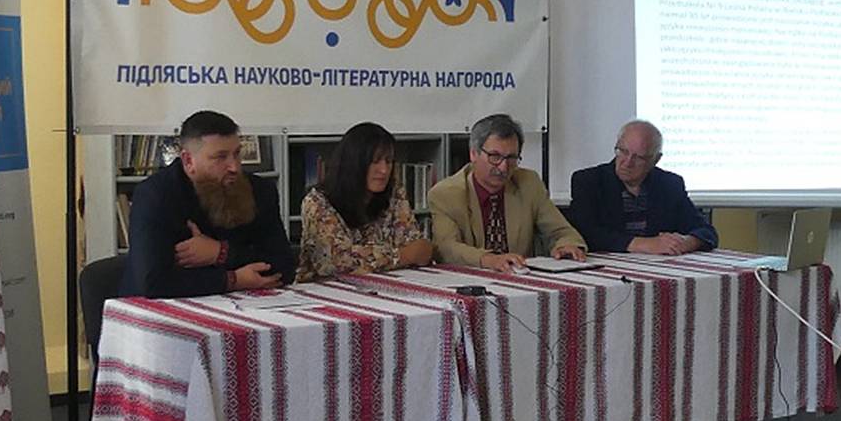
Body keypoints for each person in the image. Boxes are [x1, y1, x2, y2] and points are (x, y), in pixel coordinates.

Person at [120, 110, 293, 298]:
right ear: (188, 161)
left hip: (243, 306)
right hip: (159, 311)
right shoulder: (155, 196)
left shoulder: (259, 190)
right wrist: (233, 279)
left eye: (237, 154)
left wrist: (221, 252)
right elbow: (153, 282)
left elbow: (284, 267)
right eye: (221, 157)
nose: (234, 167)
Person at [428, 113, 586, 272]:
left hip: (520, 278)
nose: (503, 167)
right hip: (469, 279)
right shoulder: (446, 194)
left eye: (511, 158)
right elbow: (445, 248)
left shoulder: (529, 183)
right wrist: (489, 260)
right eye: (495, 157)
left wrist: (566, 245)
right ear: (473, 154)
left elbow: (561, 231)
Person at [295, 122, 433, 282]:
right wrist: (402, 256)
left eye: (388, 161)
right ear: (354, 163)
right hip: (326, 290)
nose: (384, 170)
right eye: (375, 161)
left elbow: (420, 248)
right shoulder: (317, 202)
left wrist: (376, 258)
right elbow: (336, 262)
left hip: (385, 286)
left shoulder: (394, 192)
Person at [564, 119, 718, 255]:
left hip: (658, 268)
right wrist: (644, 244)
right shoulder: (589, 181)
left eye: (639, 157)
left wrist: (686, 242)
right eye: (623, 151)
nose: (627, 162)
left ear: (656, 159)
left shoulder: (670, 184)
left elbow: (706, 231)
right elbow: (584, 232)